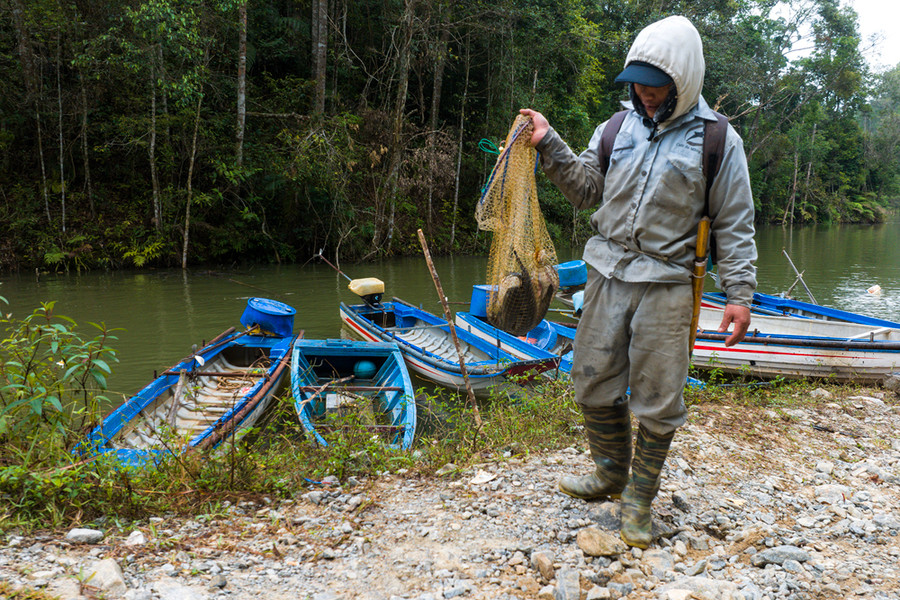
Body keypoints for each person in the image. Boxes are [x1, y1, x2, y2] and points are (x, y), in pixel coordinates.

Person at [520, 15, 757, 549]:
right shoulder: (614, 128)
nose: (646, 97)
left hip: (670, 282)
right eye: (639, 87)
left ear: (683, 82)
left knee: (657, 396)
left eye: (656, 88)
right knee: (591, 379)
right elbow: (585, 191)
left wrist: (739, 296)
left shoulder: (718, 141)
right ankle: (609, 472)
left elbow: (735, 224)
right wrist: (548, 142)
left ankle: (638, 500)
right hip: (606, 271)